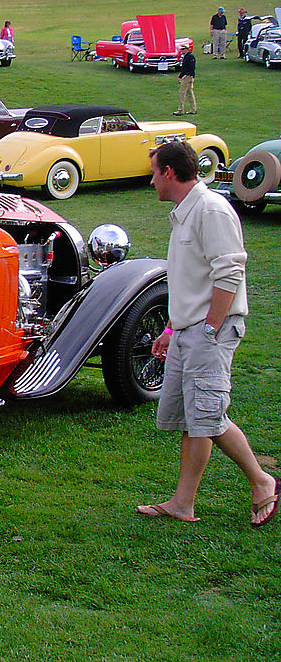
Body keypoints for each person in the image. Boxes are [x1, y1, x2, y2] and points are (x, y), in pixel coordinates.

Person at [138, 140, 278, 527]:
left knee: (209, 416)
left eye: (153, 172)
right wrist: (171, 329)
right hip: (189, 330)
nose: (151, 182)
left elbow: (230, 271)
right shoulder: (185, 212)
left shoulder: (211, 210)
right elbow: (190, 282)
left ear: (168, 172)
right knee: (192, 418)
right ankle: (183, 504)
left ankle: (263, 481)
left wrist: (211, 328)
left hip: (209, 331)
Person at [174, 42, 196, 116]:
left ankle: (180, 109)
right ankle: (193, 109)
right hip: (186, 76)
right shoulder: (186, 57)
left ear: (187, 49)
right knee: (189, 93)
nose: (182, 51)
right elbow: (184, 68)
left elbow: (192, 68)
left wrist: (191, 76)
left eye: (183, 49)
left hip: (188, 76)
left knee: (182, 93)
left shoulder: (190, 57)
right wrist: (180, 76)